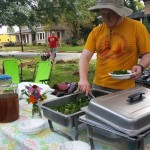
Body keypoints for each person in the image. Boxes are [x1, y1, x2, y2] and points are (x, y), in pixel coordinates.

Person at [78, 0, 150, 95]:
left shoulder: (137, 27)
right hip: (99, 86)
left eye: (110, 13)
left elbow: (148, 53)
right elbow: (85, 57)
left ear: (120, 12)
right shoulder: (96, 32)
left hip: (125, 88)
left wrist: (140, 66)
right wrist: (83, 79)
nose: (106, 18)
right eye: (103, 13)